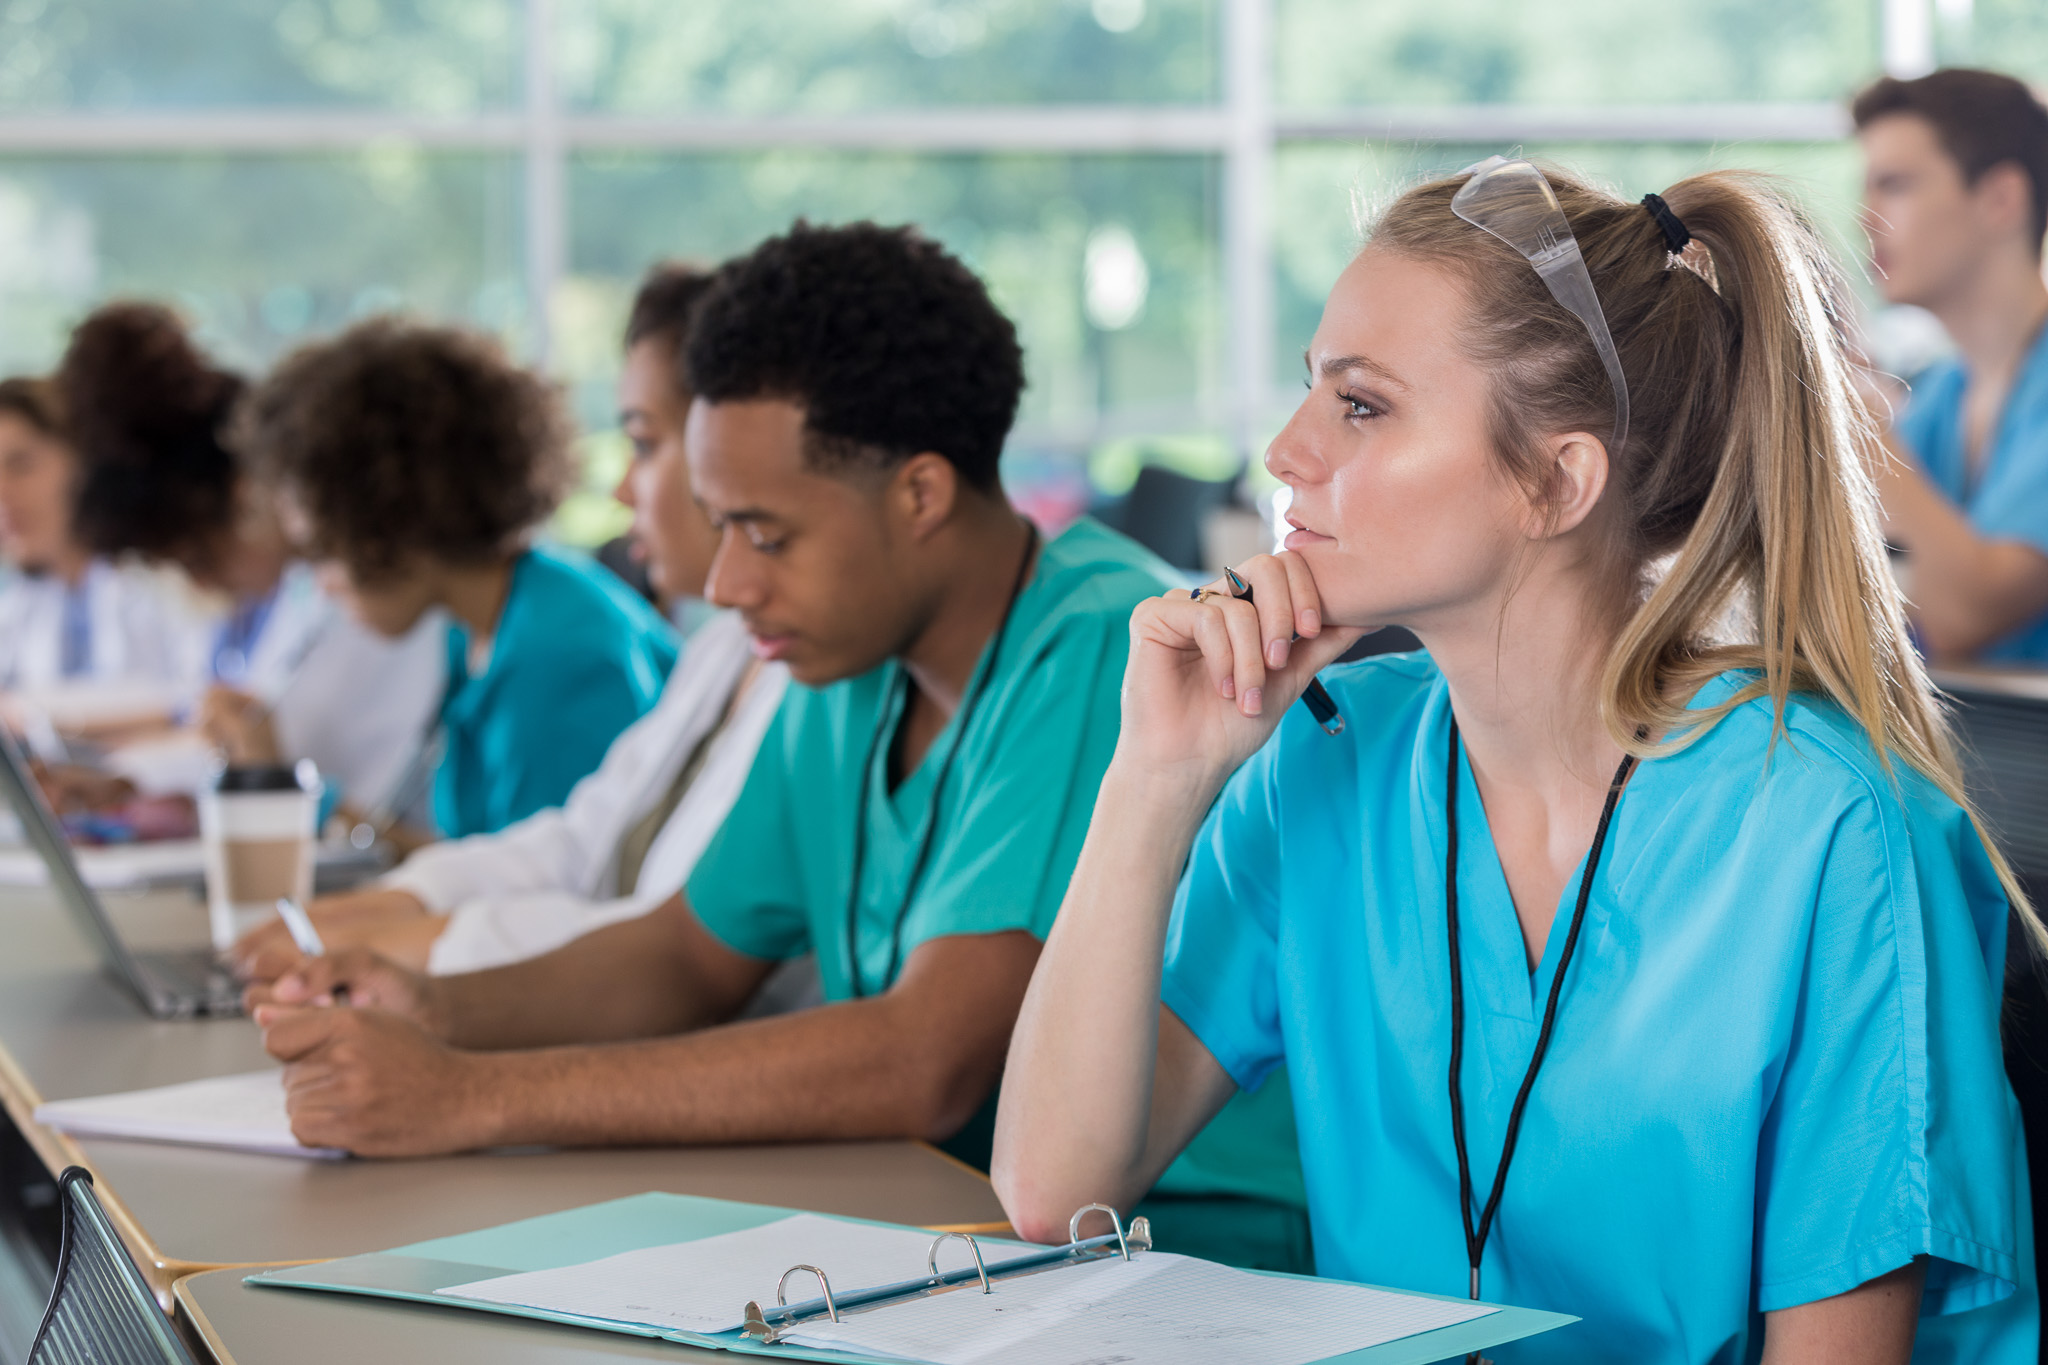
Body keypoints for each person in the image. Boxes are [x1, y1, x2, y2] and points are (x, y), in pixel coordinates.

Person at [992, 159, 2037, 1362]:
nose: (1285, 452)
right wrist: (1153, 779)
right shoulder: (1327, 760)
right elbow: (1050, 1195)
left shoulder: (1827, 827)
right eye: (1307, 393)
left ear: (1555, 480)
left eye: (1361, 405)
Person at [244, 222, 1309, 1272]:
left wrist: (471, 1097)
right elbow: (685, 956)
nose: (725, 586)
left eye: (767, 534)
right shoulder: (849, 662)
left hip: (1176, 1263)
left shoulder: (1097, 644)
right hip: (952, 1231)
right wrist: (430, 1010)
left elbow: (923, 1058)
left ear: (919, 494)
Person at [230, 263, 789, 979]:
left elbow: (610, 923)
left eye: (644, 443)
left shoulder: (560, 654)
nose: (318, 576)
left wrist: (396, 928)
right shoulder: (488, 632)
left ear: (385, 511)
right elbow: (574, 845)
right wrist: (393, 905)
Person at [232, 318, 677, 842]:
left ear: (396, 520)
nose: (324, 583)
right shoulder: (480, 625)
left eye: (327, 552)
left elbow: (542, 897)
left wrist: (288, 791)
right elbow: (482, 859)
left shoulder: (556, 658)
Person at [55, 303, 445, 819]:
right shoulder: (310, 594)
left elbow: (346, 804)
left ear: (248, 495)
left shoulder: (383, 604)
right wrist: (132, 782)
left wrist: (264, 775)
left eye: (197, 558)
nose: (204, 582)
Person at [1856, 68, 2048, 663]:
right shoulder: (1942, 393)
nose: (1866, 217)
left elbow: (1966, 614)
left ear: (2001, 199)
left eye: (1896, 184)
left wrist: (1855, 424)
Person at [0, 376, 199, 695]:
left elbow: (201, 704)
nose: (3, 495)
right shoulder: (17, 613)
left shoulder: (165, 582)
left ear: (81, 460)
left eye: (20, 465)